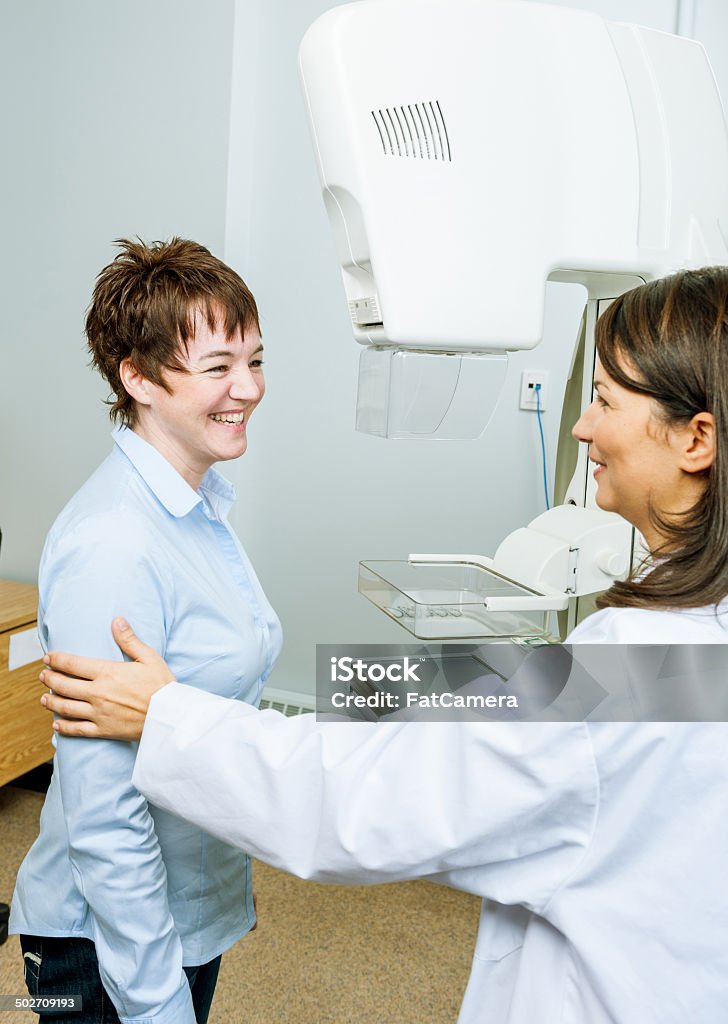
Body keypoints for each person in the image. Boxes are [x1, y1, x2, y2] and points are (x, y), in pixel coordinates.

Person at [40, 267, 728, 1023]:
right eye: (219, 366)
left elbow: (358, 795)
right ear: (136, 379)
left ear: (697, 438)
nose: (582, 426)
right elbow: (543, 700)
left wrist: (165, 716)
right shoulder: (684, 646)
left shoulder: (639, 651)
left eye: (603, 399)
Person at [10, 239, 282, 1024]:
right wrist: (156, 1002)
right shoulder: (114, 544)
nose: (250, 388)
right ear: (137, 378)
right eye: (219, 367)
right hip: (107, 946)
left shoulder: (198, 509)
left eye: (256, 361)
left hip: (187, 913)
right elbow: (103, 813)